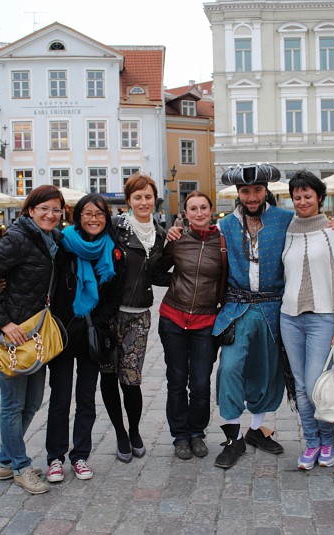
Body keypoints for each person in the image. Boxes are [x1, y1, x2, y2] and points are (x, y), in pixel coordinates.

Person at [0, 185, 71, 495]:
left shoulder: (53, 240)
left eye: (56, 209)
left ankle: (5, 459)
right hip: (13, 338)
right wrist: (3, 323)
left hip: (36, 335)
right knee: (13, 405)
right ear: (30, 210)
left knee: (33, 401)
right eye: (44, 209)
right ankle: (20, 466)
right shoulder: (17, 239)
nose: (50, 214)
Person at [211, 163, 293, 470]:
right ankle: (233, 439)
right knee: (229, 369)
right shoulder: (225, 226)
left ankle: (256, 430)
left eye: (257, 190)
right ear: (238, 193)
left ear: (266, 190)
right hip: (238, 307)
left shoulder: (286, 219)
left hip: (273, 309)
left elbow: (312, 232)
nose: (252, 196)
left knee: (267, 371)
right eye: (245, 191)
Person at [45, 194, 120, 483]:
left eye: (99, 214)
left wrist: (95, 321)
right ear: (78, 217)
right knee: (60, 398)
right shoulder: (63, 244)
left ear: (106, 218)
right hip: (63, 334)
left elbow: (114, 297)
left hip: (90, 335)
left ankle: (80, 456)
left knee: (86, 398)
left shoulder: (111, 249)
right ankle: (55, 457)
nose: (93, 219)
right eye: (88, 213)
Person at [280, 171, 334, 470]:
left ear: (319, 197)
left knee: (315, 385)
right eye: (297, 197)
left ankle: (328, 439)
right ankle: (311, 443)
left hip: (322, 318)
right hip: (289, 318)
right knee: (299, 385)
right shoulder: (287, 231)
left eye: (308, 196)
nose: (302, 201)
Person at [101, 173, 166, 463]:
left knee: (131, 379)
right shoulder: (115, 228)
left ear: (155, 199)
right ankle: (120, 433)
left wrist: (190, 279)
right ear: (128, 200)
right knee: (108, 374)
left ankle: (135, 430)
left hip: (139, 315)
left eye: (148, 196)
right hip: (109, 314)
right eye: (137, 197)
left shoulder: (161, 234)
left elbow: (159, 274)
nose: (143, 202)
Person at [155, 191, 224, 460]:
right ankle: (180, 436)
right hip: (173, 318)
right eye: (193, 209)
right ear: (185, 213)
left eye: (203, 207)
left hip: (206, 323)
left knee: (200, 383)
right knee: (176, 380)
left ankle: (197, 432)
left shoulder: (223, 242)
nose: (199, 213)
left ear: (211, 210)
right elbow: (156, 271)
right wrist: (176, 282)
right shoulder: (177, 240)